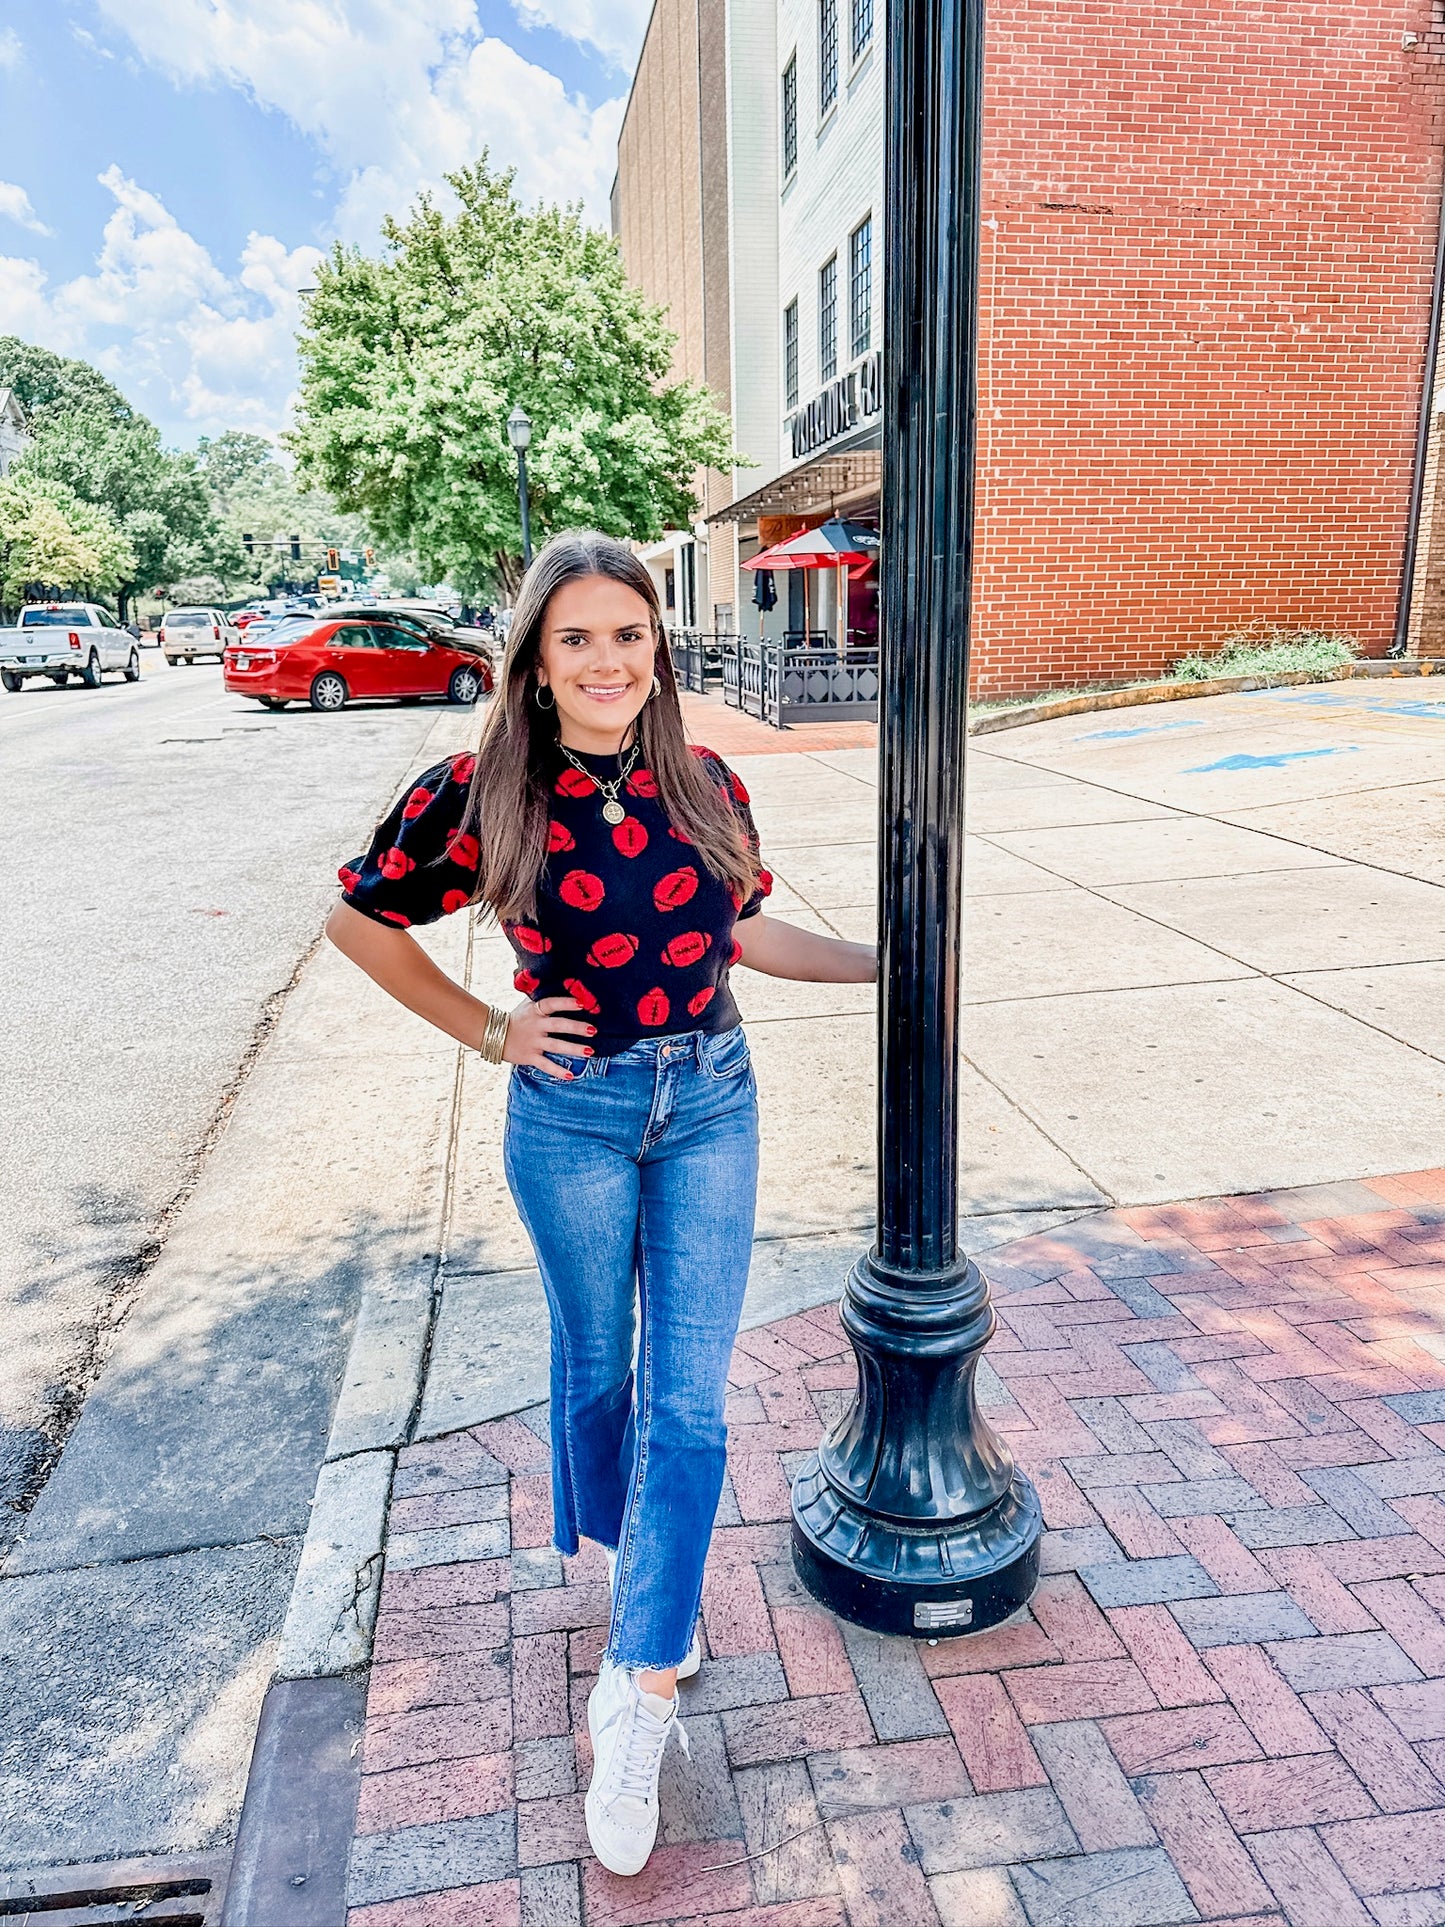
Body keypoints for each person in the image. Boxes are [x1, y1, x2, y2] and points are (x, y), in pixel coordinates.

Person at [326, 530, 875, 1876]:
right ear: (535, 659)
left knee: (689, 1397)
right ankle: (654, 1581)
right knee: (595, 1372)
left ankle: (638, 1685)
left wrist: (884, 963)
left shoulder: (705, 779)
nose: (607, 660)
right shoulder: (477, 793)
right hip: (567, 1117)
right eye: (576, 638)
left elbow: (741, 933)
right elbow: (356, 921)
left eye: (627, 634)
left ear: (657, 648)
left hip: (710, 1103)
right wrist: (486, 1030)